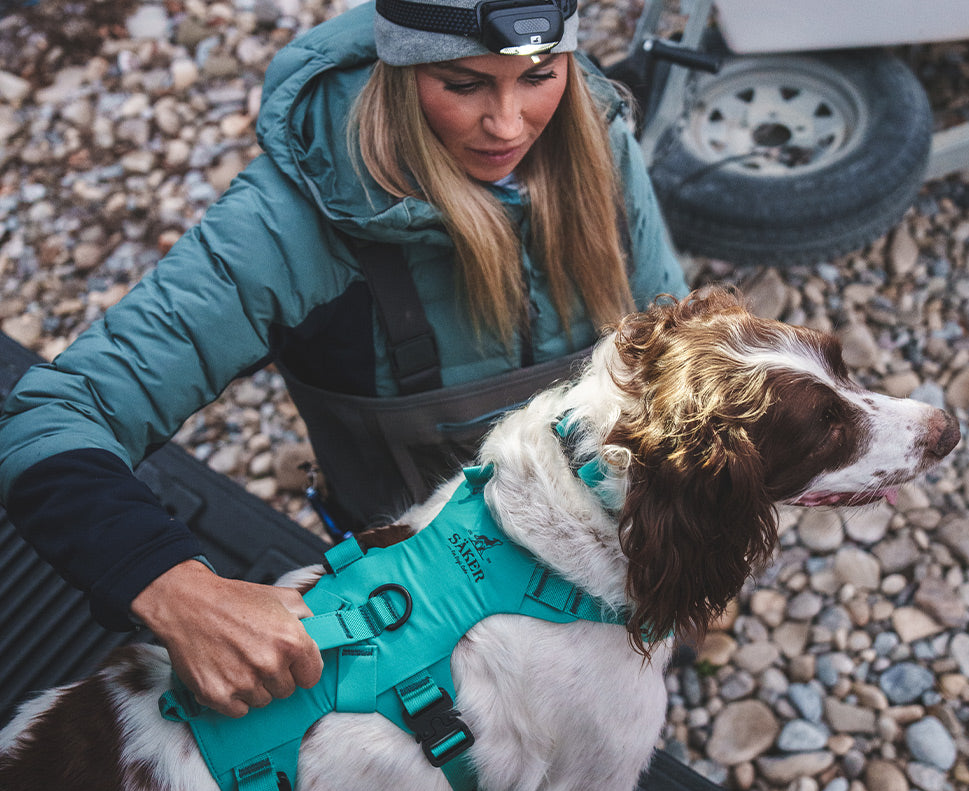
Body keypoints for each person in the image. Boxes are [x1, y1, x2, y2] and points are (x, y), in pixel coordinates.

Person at [0, 0, 687, 720]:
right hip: (436, 590)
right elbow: (52, 417)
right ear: (401, 68)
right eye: (463, 85)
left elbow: (670, 332)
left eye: (538, 76)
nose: (509, 124)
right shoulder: (287, 225)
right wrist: (177, 590)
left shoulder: (592, 135)